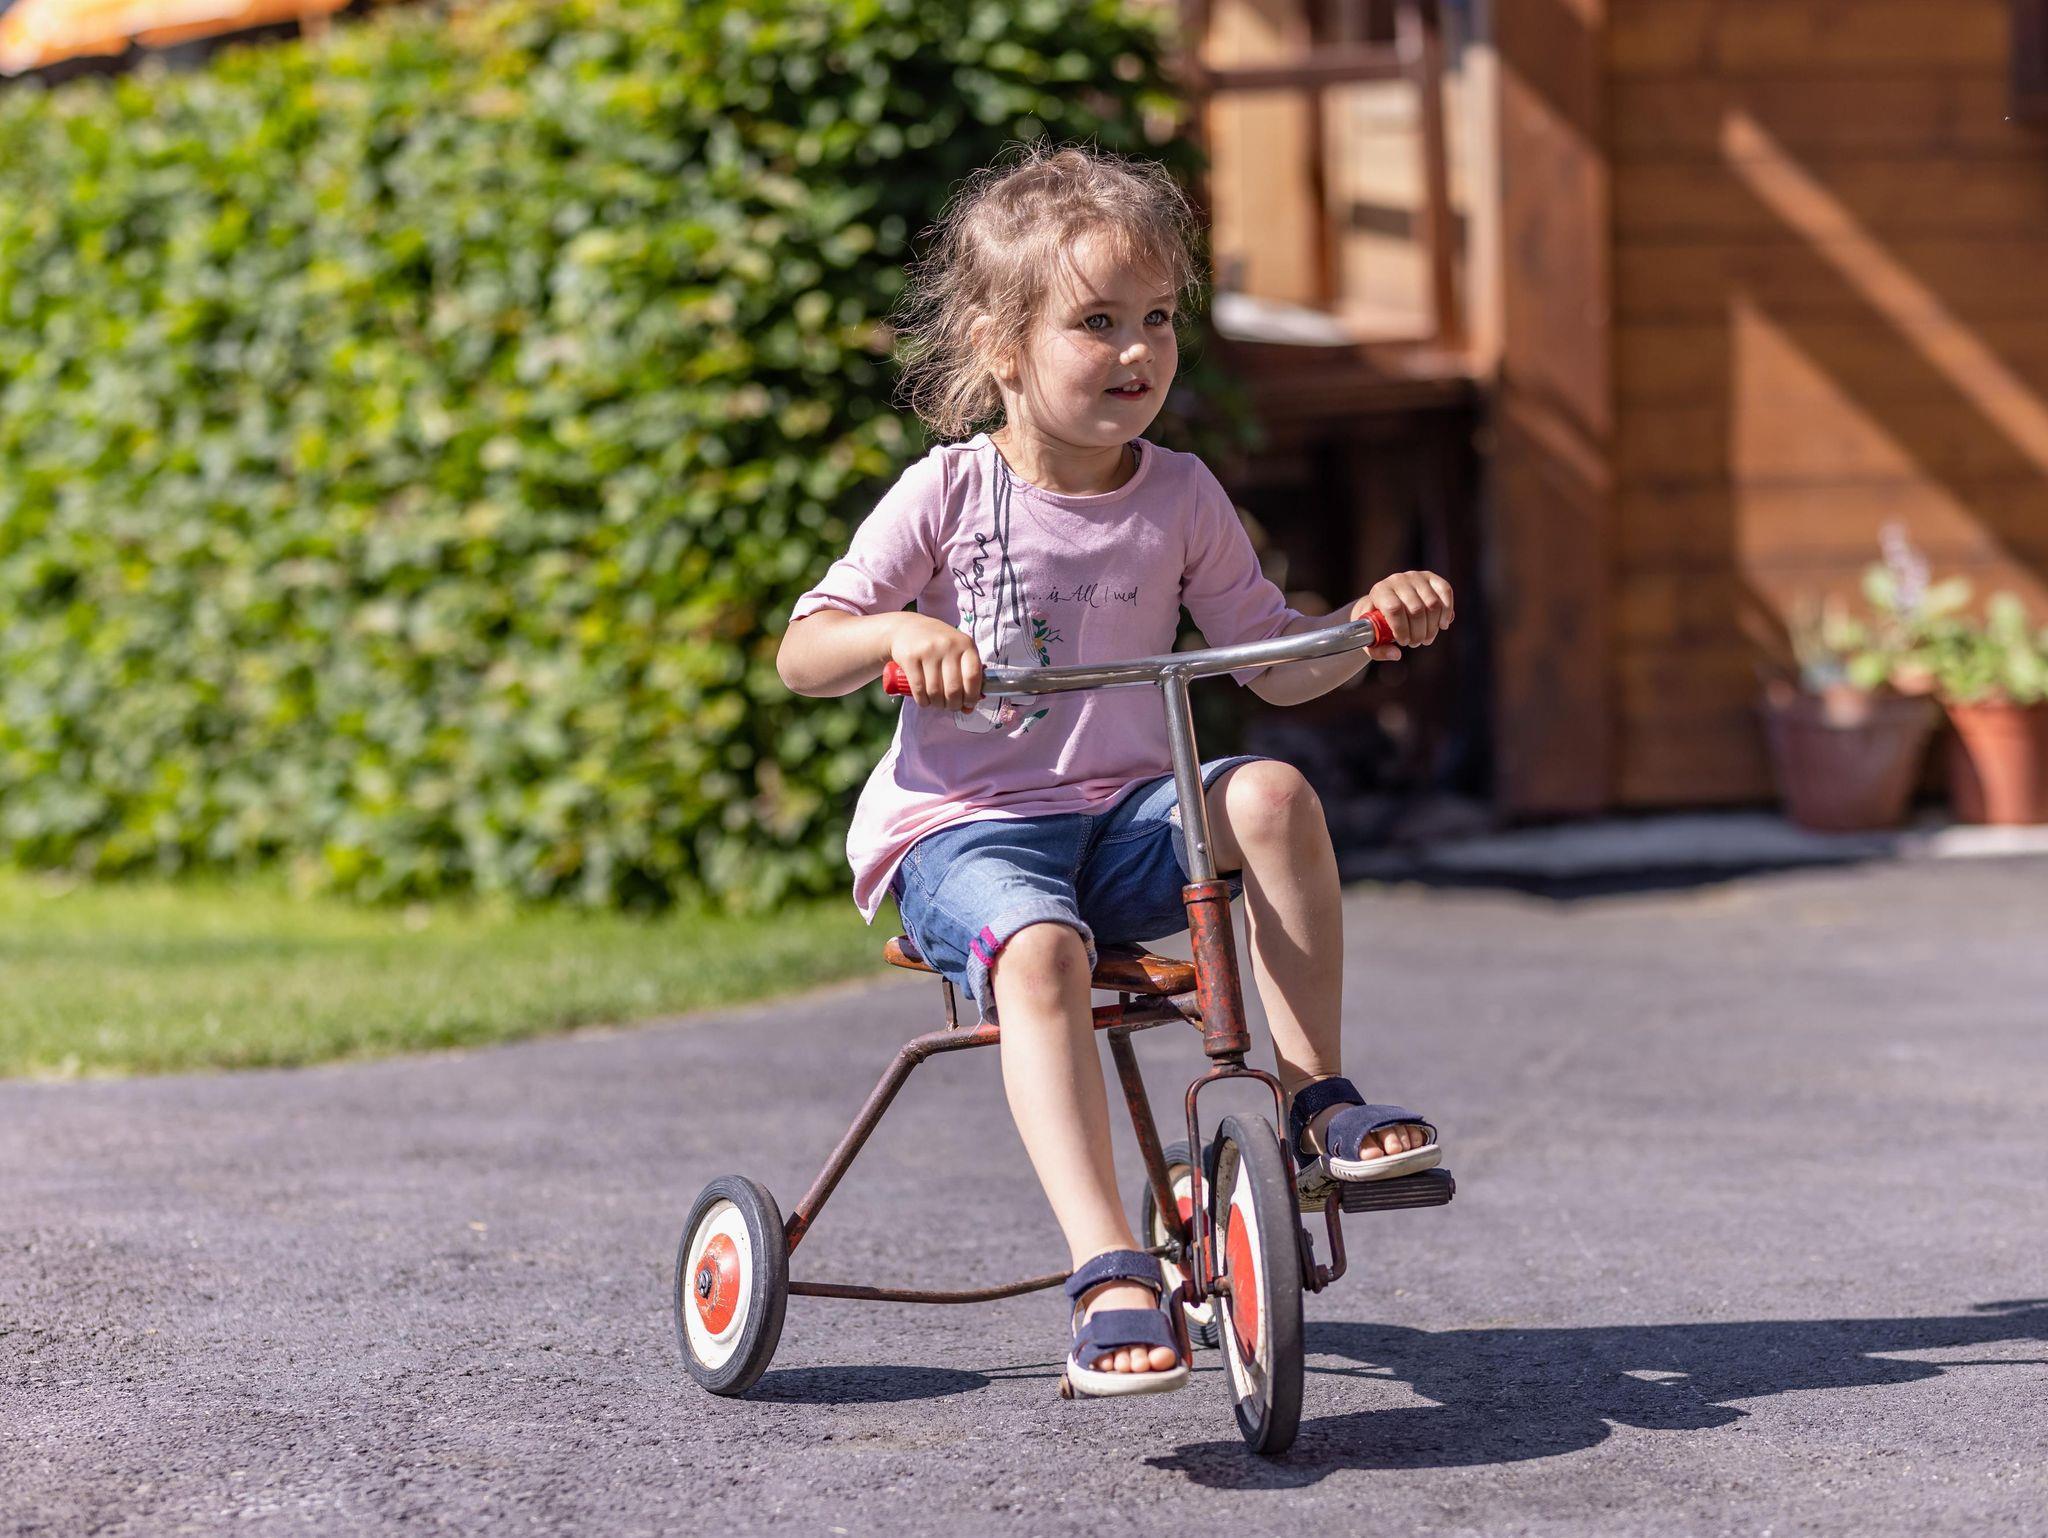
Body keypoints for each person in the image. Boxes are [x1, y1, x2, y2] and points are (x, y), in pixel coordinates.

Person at [776, 142, 1452, 1399]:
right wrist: (899, 634)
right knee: (1041, 953)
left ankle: (1313, 1099)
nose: (1137, 350)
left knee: (1271, 792)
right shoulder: (946, 492)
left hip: (1130, 823)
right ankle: (1108, 1265)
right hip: (965, 832)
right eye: (1097, 322)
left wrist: (1361, 627)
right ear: (999, 346)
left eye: (1157, 319)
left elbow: (1267, 663)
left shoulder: (1180, 494)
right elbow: (802, 650)